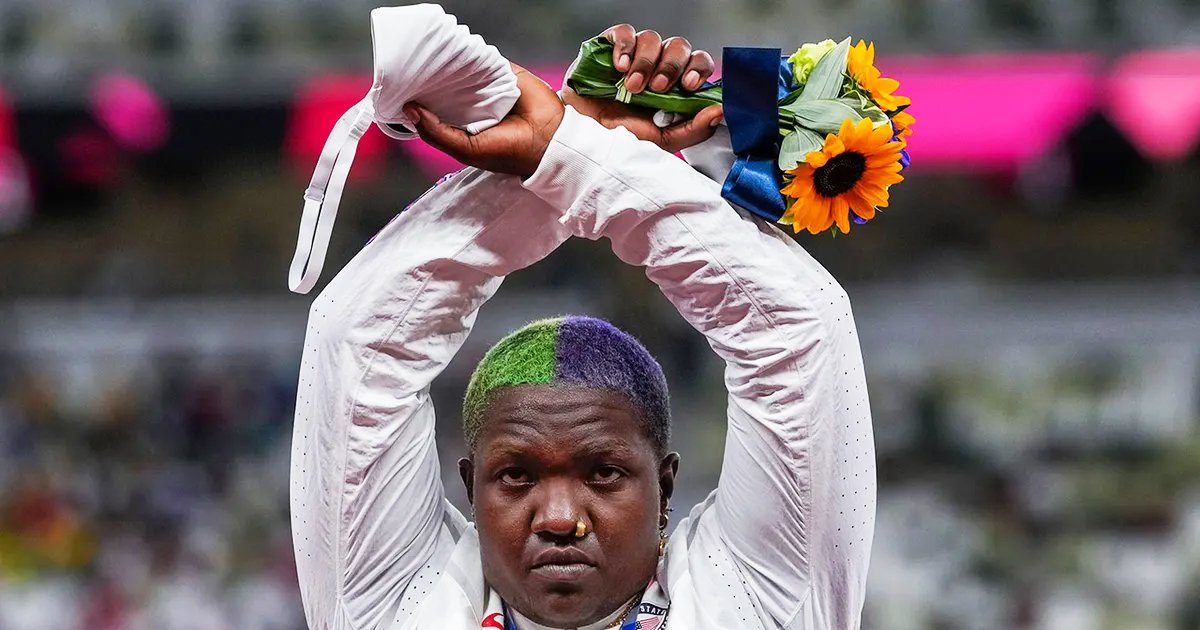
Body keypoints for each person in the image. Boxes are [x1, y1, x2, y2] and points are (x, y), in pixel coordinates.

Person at [290, 26, 877, 630]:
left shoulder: (753, 598)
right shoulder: (399, 605)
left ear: (665, 487)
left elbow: (798, 334)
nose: (560, 518)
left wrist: (567, 152)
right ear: (471, 487)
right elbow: (358, 345)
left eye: (604, 473)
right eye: (515, 476)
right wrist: (575, 152)